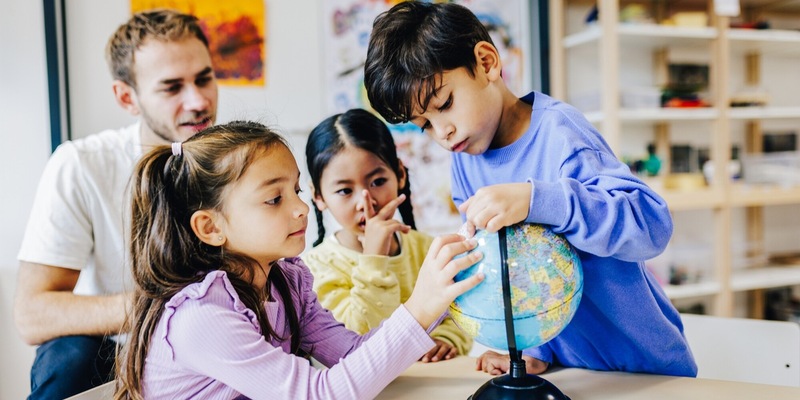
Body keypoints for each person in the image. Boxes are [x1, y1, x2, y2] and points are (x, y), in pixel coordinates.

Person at [363, 1, 697, 377]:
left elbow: (651, 227)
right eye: (424, 124)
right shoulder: (465, 161)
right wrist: (532, 349)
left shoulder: (561, 134)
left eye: (445, 104)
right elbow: (519, 272)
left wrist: (538, 200)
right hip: (568, 374)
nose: (443, 132)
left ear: (487, 63)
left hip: (642, 370)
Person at [114, 120, 484, 399]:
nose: (300, 208)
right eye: (275, 199)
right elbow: (320, 394)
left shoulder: (285, 283)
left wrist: (438, 297)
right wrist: (419, 307)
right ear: (210, 227)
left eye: (294, 190)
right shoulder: (202, 318)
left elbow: (353, 355)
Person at [14, 9, 218, 399]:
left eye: (204, 79)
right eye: (172, 87)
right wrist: (166, 309)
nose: (198, 100)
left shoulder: (238, 162)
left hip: (215, 340)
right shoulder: (82, 164)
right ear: (127, 97)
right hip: (117, 346)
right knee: (68, 356)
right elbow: (32, 314)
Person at [302, 108, 472, 363]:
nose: (365, 202)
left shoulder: (428, 250)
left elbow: (460, 316)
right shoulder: (313, 269)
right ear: (318, 197)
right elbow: (354, 347)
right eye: (345, 191)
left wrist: (447, 339)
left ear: (400, 174)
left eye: (378, 182)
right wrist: (373, 258)